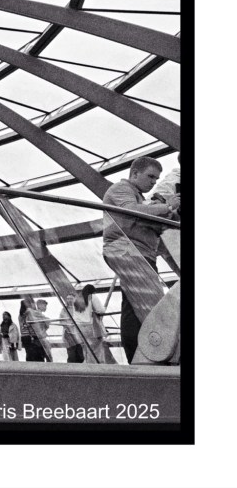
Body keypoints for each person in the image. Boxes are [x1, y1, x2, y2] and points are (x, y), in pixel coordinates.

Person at [102, 156, 180, 363]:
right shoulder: (121, 190)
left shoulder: (138, 196)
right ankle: (143, 355)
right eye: (150, 177)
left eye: (157, 178)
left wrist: (166, 211)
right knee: (151, 305)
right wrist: (166, 207)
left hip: (138, 251)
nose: (154, 182)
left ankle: (138, 356)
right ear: (134, 173)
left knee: (134, 305)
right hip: (128, 250)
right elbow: (131, 211)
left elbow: (147, 222)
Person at [73, 285, 109, 363]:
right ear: (92, 291)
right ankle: (96, 367)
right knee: (96, 348)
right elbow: (101, 310)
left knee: (85, 349)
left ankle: (88, 366)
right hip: (90, 326)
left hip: (78, 327)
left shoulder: (76, 298)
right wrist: (104, 308)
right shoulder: (92, 297)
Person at [60, 293, 84, 363]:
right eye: (68, 299)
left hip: (78, 333)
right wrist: (68, 325)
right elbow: (61, 320)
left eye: (71, 298)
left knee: (80, 354)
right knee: (71, 354)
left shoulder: (79, 309)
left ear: (75, 299)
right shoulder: (64, 309)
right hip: (69, 334)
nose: (69, 300)